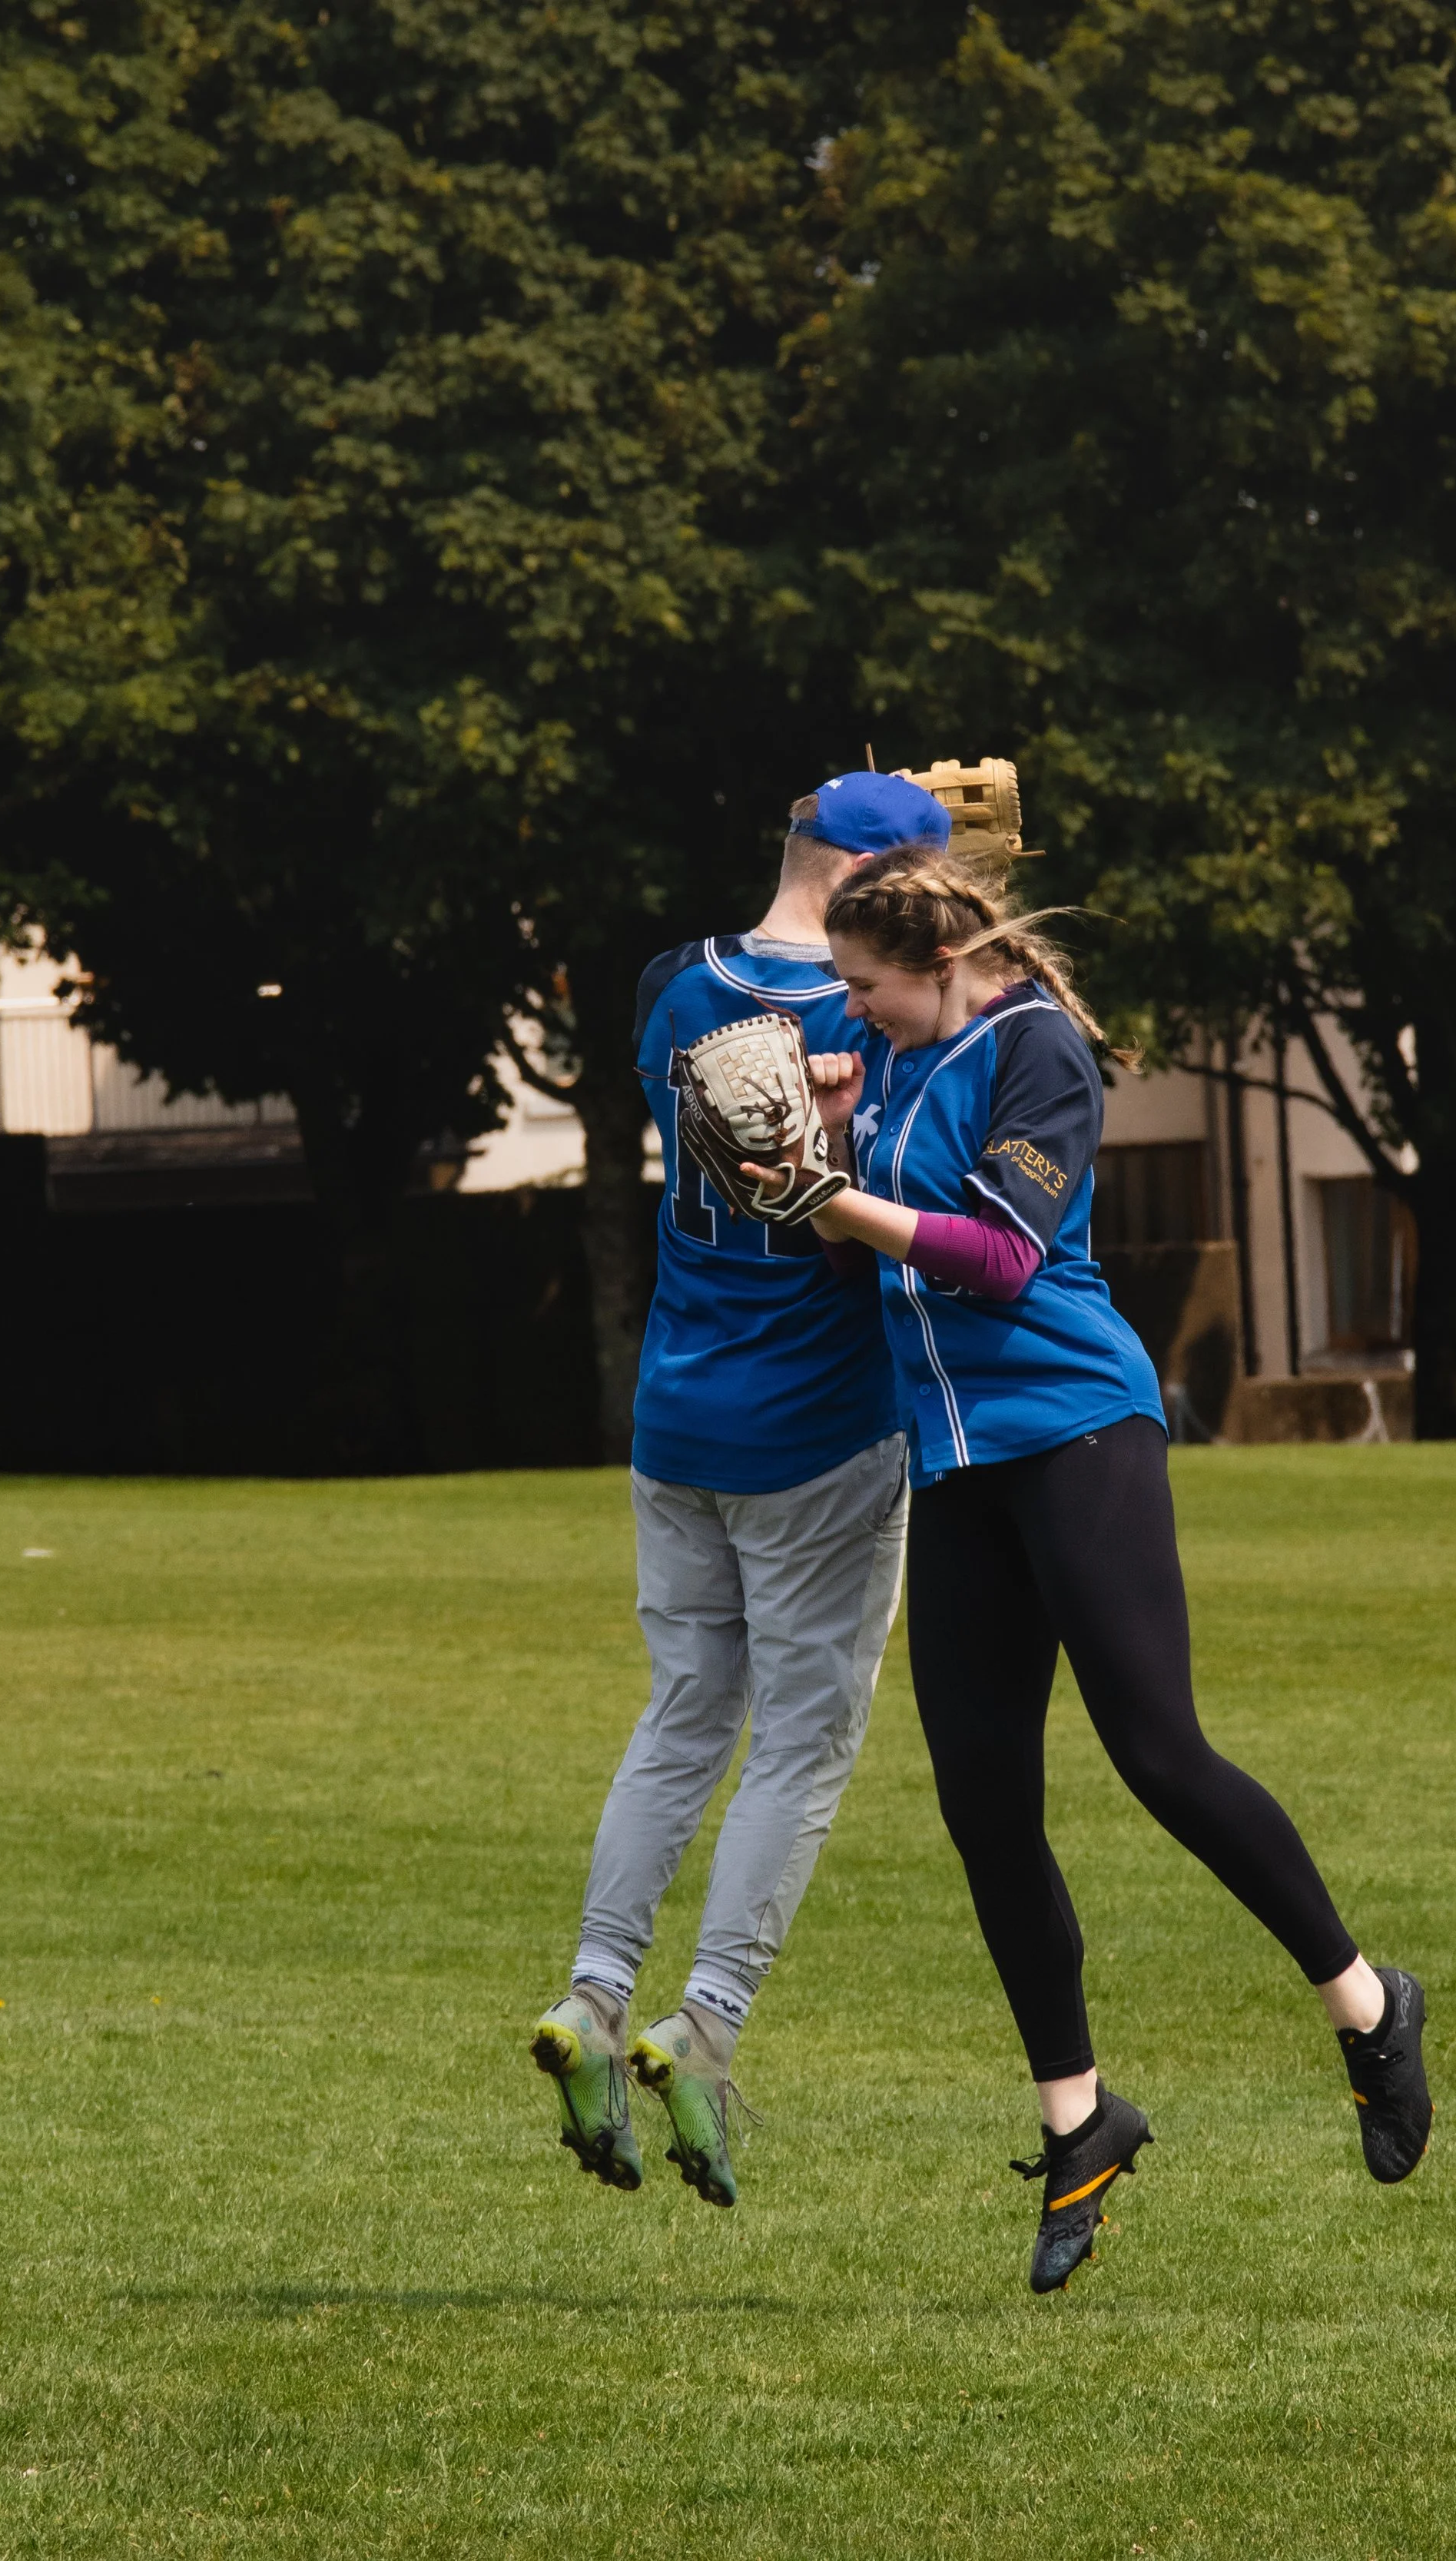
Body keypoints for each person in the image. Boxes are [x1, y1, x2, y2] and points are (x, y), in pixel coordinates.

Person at [790, 848, 1432, 2292]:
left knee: (1158, 1754)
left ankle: (1366, 2001)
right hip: (953, 1466)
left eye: (865, 987)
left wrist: (843, 1200)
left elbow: (1003, 1261)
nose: (852, 1012)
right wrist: (820, 1169)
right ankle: (1079, 2121)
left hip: (1078, 1429)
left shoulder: (1040, 1052)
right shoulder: (887, 1066)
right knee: (983, 1808)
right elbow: (872, 1272)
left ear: (939, 964)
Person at [530, 771, 954, 2209]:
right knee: (805, 1737)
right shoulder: (869, 1012)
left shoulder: (670, 988)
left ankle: (591, 1996)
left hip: (674, 1414)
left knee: (682, 1713)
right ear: (875, 885)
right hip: (815, 1431)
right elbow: (856, 1228)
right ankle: (702, 2026)